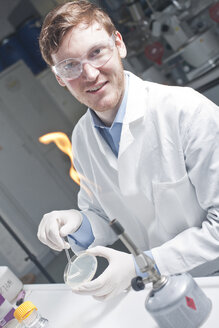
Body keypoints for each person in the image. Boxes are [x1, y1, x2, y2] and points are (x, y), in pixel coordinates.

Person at [37, 0, 219, 301]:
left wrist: (140, 264)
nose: (91, 74)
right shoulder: (82, 139)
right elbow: (103, 215)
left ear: (118, 44)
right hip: (164, 289)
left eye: (96, 52)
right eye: (71, 66)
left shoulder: (185, 111)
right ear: (60, 78)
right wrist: (76, 224)